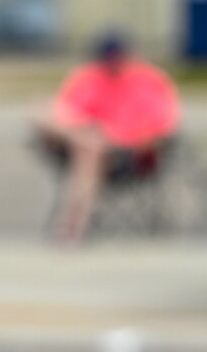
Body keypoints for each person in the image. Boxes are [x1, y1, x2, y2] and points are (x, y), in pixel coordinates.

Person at [33, 31, 180, 245]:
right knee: (45, 111)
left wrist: (115, 138)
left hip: (129, 156)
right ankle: (74, 225)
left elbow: (161, 129)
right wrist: (86, 133)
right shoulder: (89, 77)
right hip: (85, 143)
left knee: (89, 148)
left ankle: (72, 226)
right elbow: (67, 114)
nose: (113, 62)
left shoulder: (148, 80)